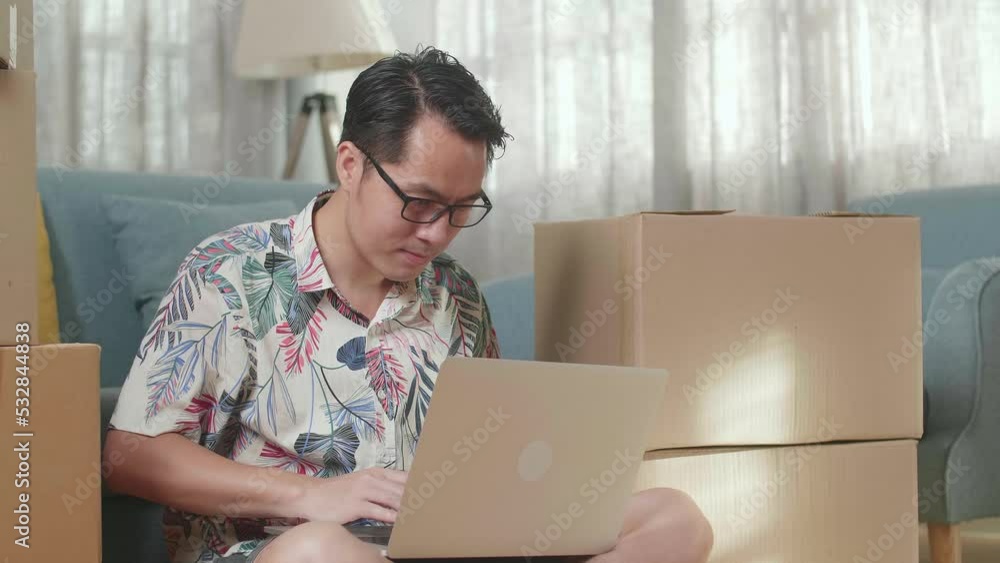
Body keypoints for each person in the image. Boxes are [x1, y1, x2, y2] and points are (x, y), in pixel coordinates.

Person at [103, 46, 713, 563]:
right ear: (351, 165)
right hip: (288, 549)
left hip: (437, 548)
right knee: (319, 551)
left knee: (674, 517)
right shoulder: (230, 272)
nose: (438, 233)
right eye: (419, 202)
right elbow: (129, 455)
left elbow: (490, 454)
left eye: (461, 209)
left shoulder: (457, 296)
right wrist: (309, 496)